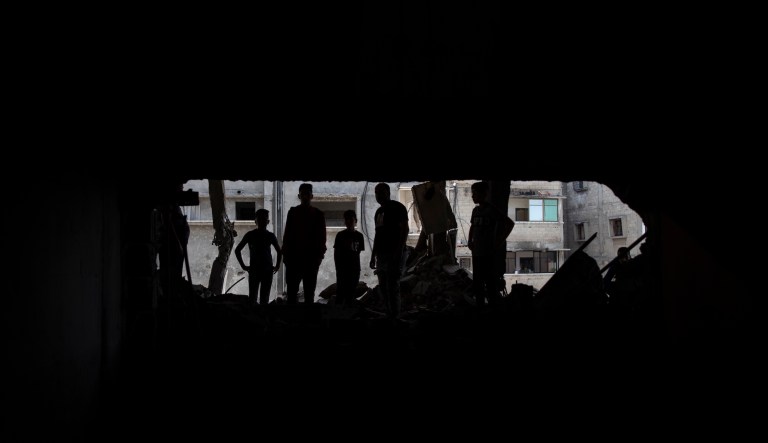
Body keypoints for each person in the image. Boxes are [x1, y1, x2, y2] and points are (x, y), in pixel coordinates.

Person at [467, 181, 514, 307]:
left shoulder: (491, 210)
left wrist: (499, 241)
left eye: (475, 194)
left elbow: (510, 224)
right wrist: (469, 241)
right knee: (478, 283)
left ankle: (491, 309)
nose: (473, 196)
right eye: (472, 194)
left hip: (488, 254)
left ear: (484, 194)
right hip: (476, 253)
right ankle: (480, 307)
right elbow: (472, 226)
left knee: (489, 283)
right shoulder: (475, 210)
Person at [282, 183, 327, 304]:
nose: (305, 197)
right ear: (299, 196)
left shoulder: (318, 214)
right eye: (303, 195)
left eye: (307, 194)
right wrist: (286, 257)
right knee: (292, 293)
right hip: (294, 260)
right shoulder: (293, 212)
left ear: (311, 196)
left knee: (309, 294)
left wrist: (318, 257)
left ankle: (304, 321)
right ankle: (295, 321)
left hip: (310, 261)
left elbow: (322, 238)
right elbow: (287, 236)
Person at [370, 183, 409, 319]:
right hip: (382, 255)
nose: (378, 195)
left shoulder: (398, 208)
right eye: (376, 192)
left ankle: (395, 316)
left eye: (380, 192)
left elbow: (405, 230)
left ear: (388, 192)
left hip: (395, 253)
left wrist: (399, 251)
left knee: (392, 286)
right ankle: (389, 314)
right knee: (383, 287)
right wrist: (373, 255)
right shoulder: (379, 212)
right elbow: (377, 234)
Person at [234, 208, 282, 306]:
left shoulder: (252, 235)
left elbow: (280, 252)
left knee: (255, 299)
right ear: (256, 221)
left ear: (267, 221)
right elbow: (279, 252)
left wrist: (244, 266)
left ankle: (257, 319)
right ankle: (261, 319)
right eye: (260, 219)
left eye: (263, 219)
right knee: (259, 299)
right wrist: (277, 266)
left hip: (259, 270)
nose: (262, 221)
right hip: (263, 270)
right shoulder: (268, 235)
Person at [333, 210, 365, 306]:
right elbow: (336, 253)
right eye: (346, 219)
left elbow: (358, 252)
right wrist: (338, 267)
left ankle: (348, 315)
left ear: (356, 220)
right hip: (342, 269)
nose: (348, 221)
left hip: (354, 269)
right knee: (340, 293)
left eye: (351, 219)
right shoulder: (340, 235)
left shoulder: (360, 236)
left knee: (351, 293)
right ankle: (339, 315)